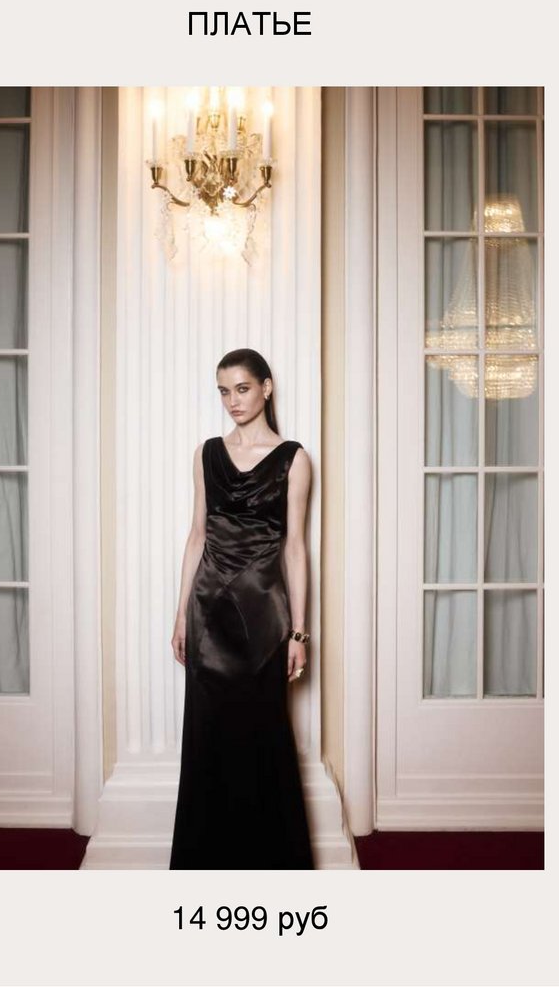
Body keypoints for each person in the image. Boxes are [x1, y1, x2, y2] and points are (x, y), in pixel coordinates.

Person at [169, 347, 314, 870]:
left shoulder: (294, 458)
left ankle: (269, 865)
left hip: (264, 618)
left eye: (243, 388)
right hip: (208, 614)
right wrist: (181, 614)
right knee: (208, 740)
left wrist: (299, 633)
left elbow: (295, 547)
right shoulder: (206, 454)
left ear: (266, 388)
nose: (233, 401)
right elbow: (197, 536)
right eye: (224, 391)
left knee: (262, 737)